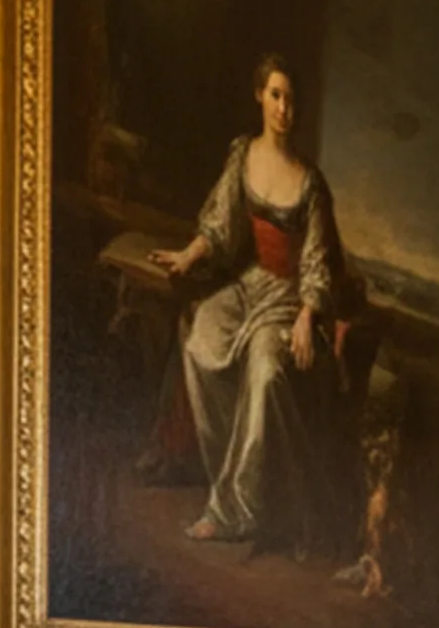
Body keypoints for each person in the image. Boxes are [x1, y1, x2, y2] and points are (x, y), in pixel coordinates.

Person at [148, 54, 349, 548]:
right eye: (276, 95)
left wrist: (307, 315)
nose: (284, 108)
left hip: (286, 297)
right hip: (247, 284)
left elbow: (319, 260)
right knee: (200, 342)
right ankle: (229, 475)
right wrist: (188, 255)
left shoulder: (310, 182)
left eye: (292, 99)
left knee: (264, 371)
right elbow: (218, 223)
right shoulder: (243, 154)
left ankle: (236, 508)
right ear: (259, 96)